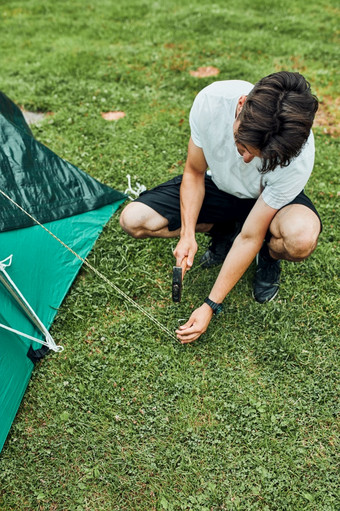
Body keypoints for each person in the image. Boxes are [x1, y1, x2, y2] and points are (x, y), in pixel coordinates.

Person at [120, 71, 321, 344]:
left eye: (259, 155)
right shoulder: (212, 101)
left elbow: (249, 236)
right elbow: (193, 173)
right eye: (242, 147)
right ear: (241, 105)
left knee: (300, 237)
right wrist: (187, 233)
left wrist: (210, 305)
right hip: (221, 188)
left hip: (268, 200)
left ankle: (269, 255)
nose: (248, 159)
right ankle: (225, 230)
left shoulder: (296, 152)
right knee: (134, 219)